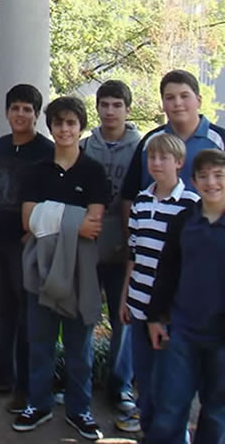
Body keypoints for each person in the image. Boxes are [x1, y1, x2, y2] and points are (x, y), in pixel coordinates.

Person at [144, 149, 225, 444]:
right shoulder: (184, 222)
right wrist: (155, 317)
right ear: (194, 183)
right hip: (183, 333)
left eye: (218, 176)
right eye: (203, 177)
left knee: (217, 410)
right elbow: (166, 272)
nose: (211, 183)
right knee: (171, 406)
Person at [13, 97, 110, 440]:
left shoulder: (93, 171)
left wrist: (50, 215)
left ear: (80, 126)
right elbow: (28, 220)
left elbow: (93, 226)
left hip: (81, 269)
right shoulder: (36, 171)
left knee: (78, 347)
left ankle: (79, 409)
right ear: (50, 127)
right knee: (39, 342)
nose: (65, 129)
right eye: (58, 123)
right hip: (42, 264)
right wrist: (72, 219)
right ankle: (37, 404)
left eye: (71, 123)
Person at [0, 84, 53, 413]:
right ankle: (0, 374)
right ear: (6, 112)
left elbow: (50, 196)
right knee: (2, 313)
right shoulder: (0, 147)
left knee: (27, 315)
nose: (21, 114)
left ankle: (26, 386)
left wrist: (33, 232)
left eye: (27, 109)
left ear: (36, 114)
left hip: (25, 243)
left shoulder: (45, 151)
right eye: (15, 108)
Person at [118, 133, 199, 438]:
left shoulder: (191, 204)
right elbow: (134, 253)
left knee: (172, 384)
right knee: (146, 380)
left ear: (179, 163)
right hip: (139, 305)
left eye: (164, 158)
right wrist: (125, 296)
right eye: (152, 157)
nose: (156, 163)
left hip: (169, 311)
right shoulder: (140, 201)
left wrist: (169, 309)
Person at [79, 79, 141, 428]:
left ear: (127, 109)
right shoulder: (88, 147)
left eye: (117, 104)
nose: (110, 111)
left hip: (125, 247)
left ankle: (120, 387)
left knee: (124, 320)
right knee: (86, 317)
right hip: (91, 245)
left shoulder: (141, 147)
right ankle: (82, 384)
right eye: (104, 104)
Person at [123, 69, 225, 207]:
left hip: (207, 227)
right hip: (156, 226)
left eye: (184, 96)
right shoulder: (150, 142)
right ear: (162, 103)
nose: (177, 103)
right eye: (170, 98)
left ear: (198, 100)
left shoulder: (220, 140)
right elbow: (129, 196)